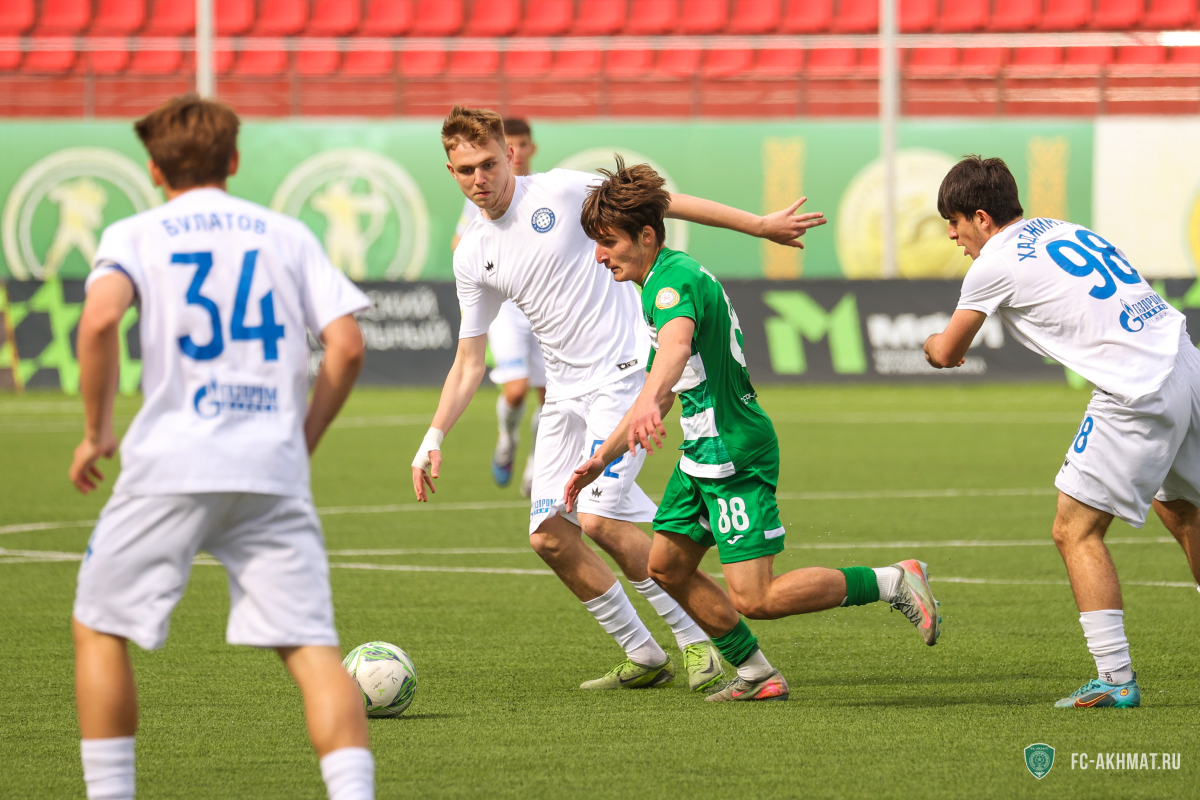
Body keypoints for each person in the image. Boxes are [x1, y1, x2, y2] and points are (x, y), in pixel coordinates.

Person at [412, 106, 825, 692]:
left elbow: (659, 205)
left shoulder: (561, 190)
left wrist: (757, 225)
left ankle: (698, 642)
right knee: (549, 536)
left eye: (488, 164)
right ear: (450, 172)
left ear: (510, 155)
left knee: (601, 519)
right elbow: (469, 360)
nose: (479, 178)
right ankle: (644, 653)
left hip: (626, 375)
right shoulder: (471, 253)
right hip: (563, 395)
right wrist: (433, 436)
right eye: (464, 170)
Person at [68, 94, 374, 800]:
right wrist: (301, 439)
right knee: (312, 650)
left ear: (153, 169)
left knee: (100, 628)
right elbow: (347, 346)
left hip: (170, 463)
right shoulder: (286, 234)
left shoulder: (135, 233)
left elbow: (100, 321)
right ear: (233, 161)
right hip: (271, 469)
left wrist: (95, 431)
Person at [566, 158, 941, 702]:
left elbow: (674, 349)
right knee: (665, 567)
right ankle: (757, 673)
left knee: (756, 598)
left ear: (645, 236)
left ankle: (891, 580)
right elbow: (668, 386)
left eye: (608, 243)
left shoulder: (671, 285)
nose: (600, 256)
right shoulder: (662, 279)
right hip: (703, 450)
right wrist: (604, 456)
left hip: (734, 451)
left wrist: (647, 401)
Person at [924, 155, 1200, 709]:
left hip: (1137, 390)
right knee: (1183, 509)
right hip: (1184, 361)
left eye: (954, 222)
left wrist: (929, 345)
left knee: (1074, 530)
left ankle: (1115, 679)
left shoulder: (993, 263)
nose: (953, 235)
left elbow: (948, 351)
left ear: (982, 218)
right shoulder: (1063, 228)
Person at [451, 118, 545, 496]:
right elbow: (460, 245)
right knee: (516, 391)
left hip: (546, 307)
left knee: (551, 398)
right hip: (507, 307)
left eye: (523, 144)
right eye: (512, 144)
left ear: (531, 148)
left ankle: (538, 464)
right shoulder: (482, 191)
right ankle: (507, 439)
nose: (517, 152)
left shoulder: (545, 191)